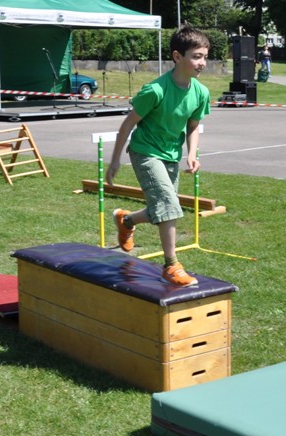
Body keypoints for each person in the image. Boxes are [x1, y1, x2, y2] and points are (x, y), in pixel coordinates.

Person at [106, 24, 211, 287]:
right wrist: (115, 160)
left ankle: (126, 220)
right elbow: (127, 125)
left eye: (205, 57)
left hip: (171, 155)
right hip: (145, 152)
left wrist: (192, 154)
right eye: (196, 56)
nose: (202, 63)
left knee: (161, 209)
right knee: (168, 205)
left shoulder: (201, 92)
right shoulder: (156, 90)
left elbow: (193, 126)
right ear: (177, 57)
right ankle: (171, 265)